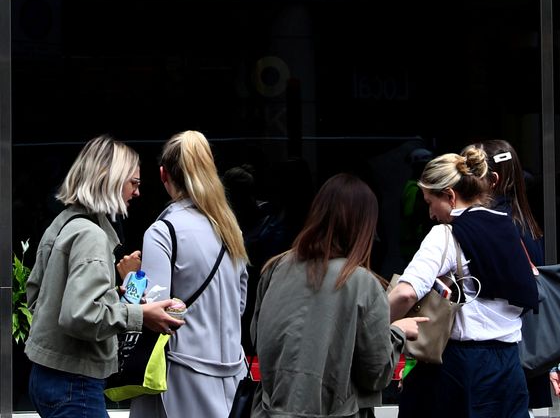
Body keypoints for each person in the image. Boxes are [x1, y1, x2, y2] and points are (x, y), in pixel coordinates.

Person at [25, 135, 184, 418]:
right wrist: (140, 314)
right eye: (133, 183)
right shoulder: (91, 237)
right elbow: (80, 315)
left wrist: (111, 298)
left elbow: (38, 296)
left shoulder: (64, 223)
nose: (137, 193)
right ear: (109, 180)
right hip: (75, 383)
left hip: (46, 377)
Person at [251, 173, 426, 418]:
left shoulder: (275, 268)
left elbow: (259, 339)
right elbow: (375, 373)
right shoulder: (362, 283)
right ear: (365, 225)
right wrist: (397, 332)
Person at [388, 147, 538, 418]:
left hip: (462, 367)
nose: (431, 213)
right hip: (509, 367)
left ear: (450, 196)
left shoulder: (445, 235)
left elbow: (406, 293)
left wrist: (372, 327)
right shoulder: (507, 228)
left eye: (429, 201)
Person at [129, 130, 248, 418]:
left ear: (163, 175)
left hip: (181, 377)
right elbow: (240, 305)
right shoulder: (232, 231)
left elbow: (156, 314)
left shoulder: (163, 232)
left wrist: (130, 278)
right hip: (233, 374)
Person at [465, 139, 560, 408]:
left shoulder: (491, 226)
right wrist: (553, 361)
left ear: (492, 180)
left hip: (499, 355)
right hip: (515, 356)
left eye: (469, 171)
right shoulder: (522, 222)